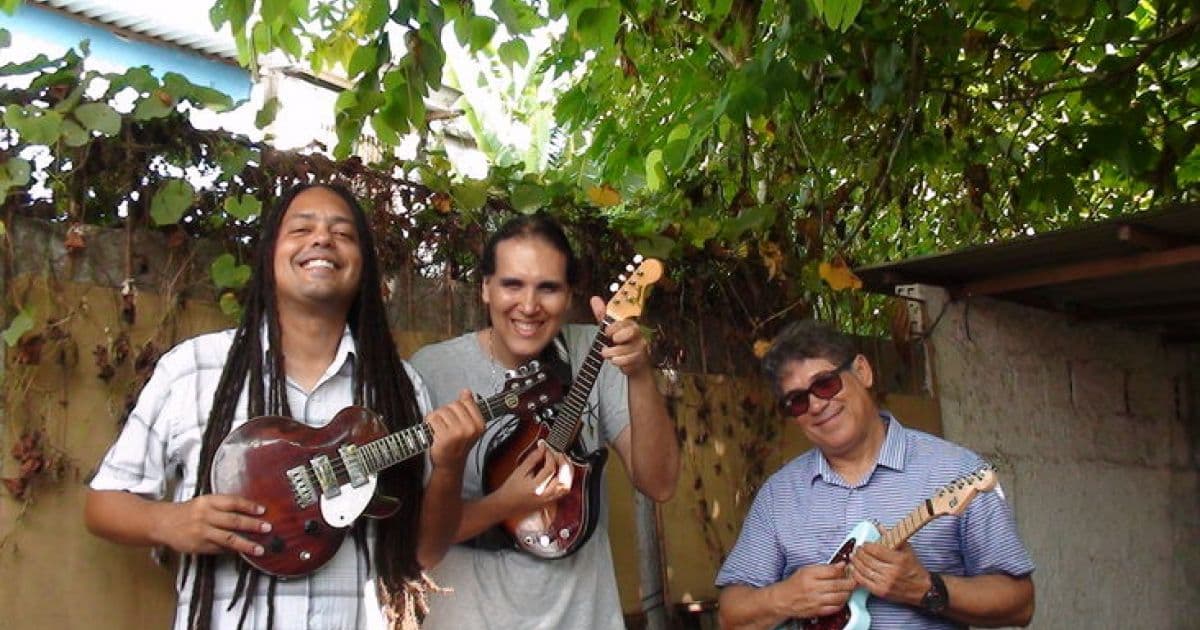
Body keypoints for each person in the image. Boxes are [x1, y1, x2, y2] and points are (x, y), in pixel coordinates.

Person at [84, 183, 484, 630]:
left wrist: (449, 466)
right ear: (270, 253)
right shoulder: (193, 369)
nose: (322, 239)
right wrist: (167, 521)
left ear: (364, 265)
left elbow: (421, 552)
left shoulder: (398, 388)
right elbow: (103, 505)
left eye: (343, 234)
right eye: (301, 228)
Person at [409, 214, 680, 629]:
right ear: (485, 287)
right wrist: (507, 503)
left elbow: (658, 482)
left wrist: (640, 373)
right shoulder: (431, 370)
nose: (529, 306)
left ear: (569, 294)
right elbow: (419, 540)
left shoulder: (597, 351)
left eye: (548, 288)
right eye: (512, 284)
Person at [716, 319, 1035, 629]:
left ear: (862, 371)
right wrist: (785, 598)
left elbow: (1020, 603)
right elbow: (731, 614)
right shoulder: (779, 494)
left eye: (825, 383)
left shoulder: (956, 471)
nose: (815, 405)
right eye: (798, 401)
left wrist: (925, 588)